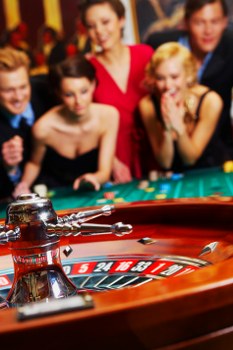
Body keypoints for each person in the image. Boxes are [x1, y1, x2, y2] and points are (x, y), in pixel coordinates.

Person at [13, 54, 119, 197]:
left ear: (93, 84)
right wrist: (23, 185)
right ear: (58, 93)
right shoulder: (43, 128)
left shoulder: (109, 116)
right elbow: (34, 163)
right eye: (69, 94)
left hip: (92, 192)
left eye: (84, 91)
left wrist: (94, 178)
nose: (78, 101)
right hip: (56, 195)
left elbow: (104, 172)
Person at [78, 0, 154, 183]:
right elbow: (84, 123)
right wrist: (111, 162)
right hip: (117, 160)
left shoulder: (146, 54)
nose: (99, 31)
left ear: (121, 20)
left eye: (105, 22)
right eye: (91, 26)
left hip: (156, 153)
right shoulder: (86, 68)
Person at [146, 0, 233, 156]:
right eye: (199, 22)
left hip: (217, 153)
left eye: (215, 21)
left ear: (225, 22)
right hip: (168, 152)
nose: (208, 31)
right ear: (185, 23)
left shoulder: (231, 45)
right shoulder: (157, 44)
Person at [139, 42, 233, 172]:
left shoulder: (210, 101)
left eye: (174, 77)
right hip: (174, 178)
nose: (167, 85)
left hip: (212, 173)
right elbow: (165, 162)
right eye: (160, 78)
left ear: (188, 76)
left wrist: (179, 127)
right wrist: (167, 128)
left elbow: (189, 158)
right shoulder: (147, 105)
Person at [0, 47, 53, 200]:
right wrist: (9, 167)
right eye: (9, 90)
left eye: (23, 87)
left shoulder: (47, 92)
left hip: (62, 189)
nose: (18, 97)